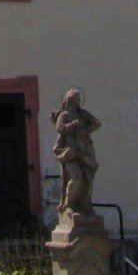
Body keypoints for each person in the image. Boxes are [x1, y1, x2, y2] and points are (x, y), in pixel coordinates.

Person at [50, 87, 101, 216]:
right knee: (76, 176)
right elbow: (59, 128)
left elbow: (97, 123)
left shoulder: (83, 114)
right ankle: (69, 204)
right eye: (77, 98)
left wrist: (85, 130)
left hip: (84, 150)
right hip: (70, 151)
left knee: (87, 177)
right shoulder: (64, 115)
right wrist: (72, 125)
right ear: (71, 100)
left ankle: (84, 204)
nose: (79, 101)